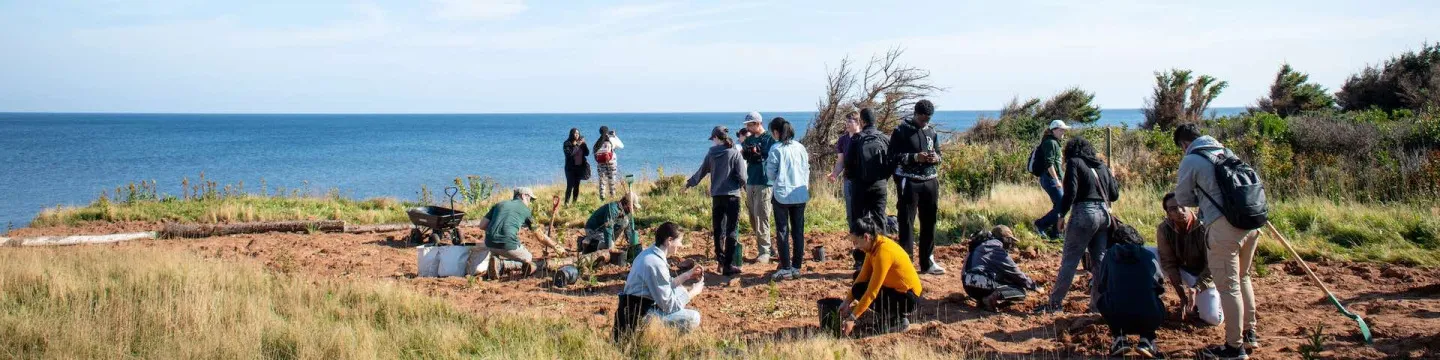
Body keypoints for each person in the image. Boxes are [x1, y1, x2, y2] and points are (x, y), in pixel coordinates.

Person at [1173, 124, 1261, 359]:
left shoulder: (1191, 159)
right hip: (1250, 224)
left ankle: (1235, 347)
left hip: (1224, 228)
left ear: (1183, 144)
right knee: (1244, 277)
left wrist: (1201, 199)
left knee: (1229, 287)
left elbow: (1182, 197)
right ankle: (1250, 333)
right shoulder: (1226, 151)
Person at [1037, 137, 1120, 314]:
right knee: (1099, 262)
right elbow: (1114, 195)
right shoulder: (1102, 166)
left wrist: (1061, 214)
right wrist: (1113, 177)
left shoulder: (1074, 163)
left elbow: (1070, 192)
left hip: (1084, 213)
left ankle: (1055, 304)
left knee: (1070, 261)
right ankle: (1097, 306)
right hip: (1104, 214)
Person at [615, 222, 705, 341]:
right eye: (679, 241)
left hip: (635, 307)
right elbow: (669, 306)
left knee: (680, 290)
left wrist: (688, 275)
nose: (681, 245)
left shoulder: (649, 253)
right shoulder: (655, 263)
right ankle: (659, 340)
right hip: (639, 316)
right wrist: (693, 292)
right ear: (669, 240)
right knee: (694, 317)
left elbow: (666, 284)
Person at [839, 215, 922, 335]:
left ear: (866, 237)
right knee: (858, 285)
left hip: (909, 298)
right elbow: (862, 276)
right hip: (896, 289)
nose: (855, 247)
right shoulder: (873, 245)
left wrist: (852, 318)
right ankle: (890, 314)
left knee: (864, 289)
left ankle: (897, 320)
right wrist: (847, 301)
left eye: (856, 242)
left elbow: (872, 292)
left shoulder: (883, 253)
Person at [1093, 224, 1166, 359]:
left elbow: (1102, 284)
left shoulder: (1109, 255)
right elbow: (1160, 286)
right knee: (1156, 301)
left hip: (1117, 315)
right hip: (1148, 315)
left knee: (1103, 300)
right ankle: (1147, 339)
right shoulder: (1148, 255)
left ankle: (1119, 338)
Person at [889, 99, 945, 275]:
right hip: (909, 182)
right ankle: (905, 263)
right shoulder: (901, 131)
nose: (925, 123)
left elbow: (940, 154)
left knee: (929, 221)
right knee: (906, 222)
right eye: (922, 119)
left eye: (927, 119)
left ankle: (927, 262)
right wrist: (914, 158)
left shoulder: (931, 132)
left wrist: (936, 158)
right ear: (915, 114)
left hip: (930, 181)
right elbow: (892, 156)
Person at [685, 126, 748, 276]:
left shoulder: (711, 154)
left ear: (716, 138)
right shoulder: (735, 154)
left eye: (713, 138)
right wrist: (742, 187)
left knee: (719, 229)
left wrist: (689, 183)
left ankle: (720, 262)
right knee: (732, 229)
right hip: (733, 196)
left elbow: (701, 171)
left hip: (717, 196)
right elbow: (743, 177)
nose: (712, 141)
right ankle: (728, 265)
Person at [1156, 192, 1223, 326]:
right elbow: (1169, 263)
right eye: (1173, 209)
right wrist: (1182, 296)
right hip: (1183, 269)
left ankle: (1220, 298)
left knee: (1213, 319)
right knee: (1149, 254)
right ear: (1168, 214)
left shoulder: (1205, 227)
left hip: (1205, 274)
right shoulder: (1164, 229)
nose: (1180, 211)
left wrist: (1197, 287)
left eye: (1182, 206)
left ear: (1190, 206)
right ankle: (1150, 303)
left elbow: (1213, 264)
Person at [844, 108, 893, 271]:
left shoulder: (857, 139)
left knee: (859, 221)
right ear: (875, 120)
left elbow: (848, 165)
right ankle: (882, 256)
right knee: (880, 219)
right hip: (880, 185)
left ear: (862, 122)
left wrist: (855, 179)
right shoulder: (885, 138)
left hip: (860, 186)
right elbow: (891, 163)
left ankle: (860, 260)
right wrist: (882, 178)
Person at [480, 187, 567, 275]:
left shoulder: (499, 204)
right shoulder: (525, 210)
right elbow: (540, 236)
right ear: (523, 196)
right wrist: (556, 246)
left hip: (489, 243)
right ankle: (503, 265)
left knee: (499, 251)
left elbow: (482, 225)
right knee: (528, 258)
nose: (530, 202)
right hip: (507, 243)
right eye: (530, 199)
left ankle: (495, 262)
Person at [764, 117, 809, 281]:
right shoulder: (801, 147)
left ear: (776, 132)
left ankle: (786, 267)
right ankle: (797, 266)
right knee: (798, 231)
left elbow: (770, 173)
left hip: (782, 195)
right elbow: (806, 169)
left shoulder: (776, 148)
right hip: (800, 193)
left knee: (782, 232)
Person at [962, 225, 1040, 311]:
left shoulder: (978, 244)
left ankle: (981, 300)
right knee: (1020, 291)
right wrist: (1034, 286)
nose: (1010, 245)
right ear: (1005, 239)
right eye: (1010, 240)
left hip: (967, 286)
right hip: (981, 283)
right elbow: (1015, 272)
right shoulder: (995, 248)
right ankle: (990, 298)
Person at [739, 111, 777, 264]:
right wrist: (744, 146)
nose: (748, 127)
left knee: (762, 217)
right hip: (751, 180)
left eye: (750, 124)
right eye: (747, 124)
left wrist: (757, 153)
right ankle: (768, 247)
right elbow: (745, 155)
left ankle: (764, 251)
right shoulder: (748, 140)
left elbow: (769, 156)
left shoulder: (768, 138)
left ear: (758, 123)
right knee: (753, 218)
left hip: (764, 181)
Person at [1031, 120, 1069, 239]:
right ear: (1054, 130)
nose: (1064, 132)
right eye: (1061, 129)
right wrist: (1056, 179)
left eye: (1064, 129)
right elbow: (1049, 163)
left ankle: (1055, 233)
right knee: (1063, 205)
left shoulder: (1055, 142)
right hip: (1050, 179)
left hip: (1053, 178)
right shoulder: (1050, 142)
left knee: (1059, 205)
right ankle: (1040, 225)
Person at [578, 192, 640, 262]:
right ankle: (588, 243)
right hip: (594, 229)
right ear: (627, 204)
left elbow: (628, 227)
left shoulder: (626, 212)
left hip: (603, 231)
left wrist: (631, 243)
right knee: (609, 245)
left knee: (625, 221)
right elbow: (608, 228)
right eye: (633, 207)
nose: (634, 209)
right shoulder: (613, 209)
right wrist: (610, 247)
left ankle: (604, 243)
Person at [828, 111, 862, 222]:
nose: (847, 124)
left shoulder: (864, 137)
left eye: (850, 122)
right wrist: (834, 174)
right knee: (850, 211)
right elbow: (840, 161)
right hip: (848, 179)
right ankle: (854, 235)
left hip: (863, 180)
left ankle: (864, 236)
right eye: (846, 121)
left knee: (863, 210)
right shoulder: (843, 140)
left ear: (858, 123)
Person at [593, 126, 625, 200]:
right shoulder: (611, 139)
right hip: (611, 162)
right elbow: (622, 146)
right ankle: (612, 196)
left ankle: (602, 197)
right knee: (612, 179)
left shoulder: (597, 142)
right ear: (607, 132)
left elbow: (595, 153)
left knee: (602, 180)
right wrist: (615, 136)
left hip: (601, 163)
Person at [563, 128, 590, 206]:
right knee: (570, 186)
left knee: (577, 186)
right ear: (571, 134)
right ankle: (566, 203)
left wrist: (584, 144)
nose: (577, 135)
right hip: (570, 168)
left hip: (579, 167)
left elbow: (587, 153)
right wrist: (577, 145)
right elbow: (569, 154)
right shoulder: (567, 143)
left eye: (578, 133)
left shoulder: (581, 143)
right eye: (575, 133)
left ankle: (574, 203)